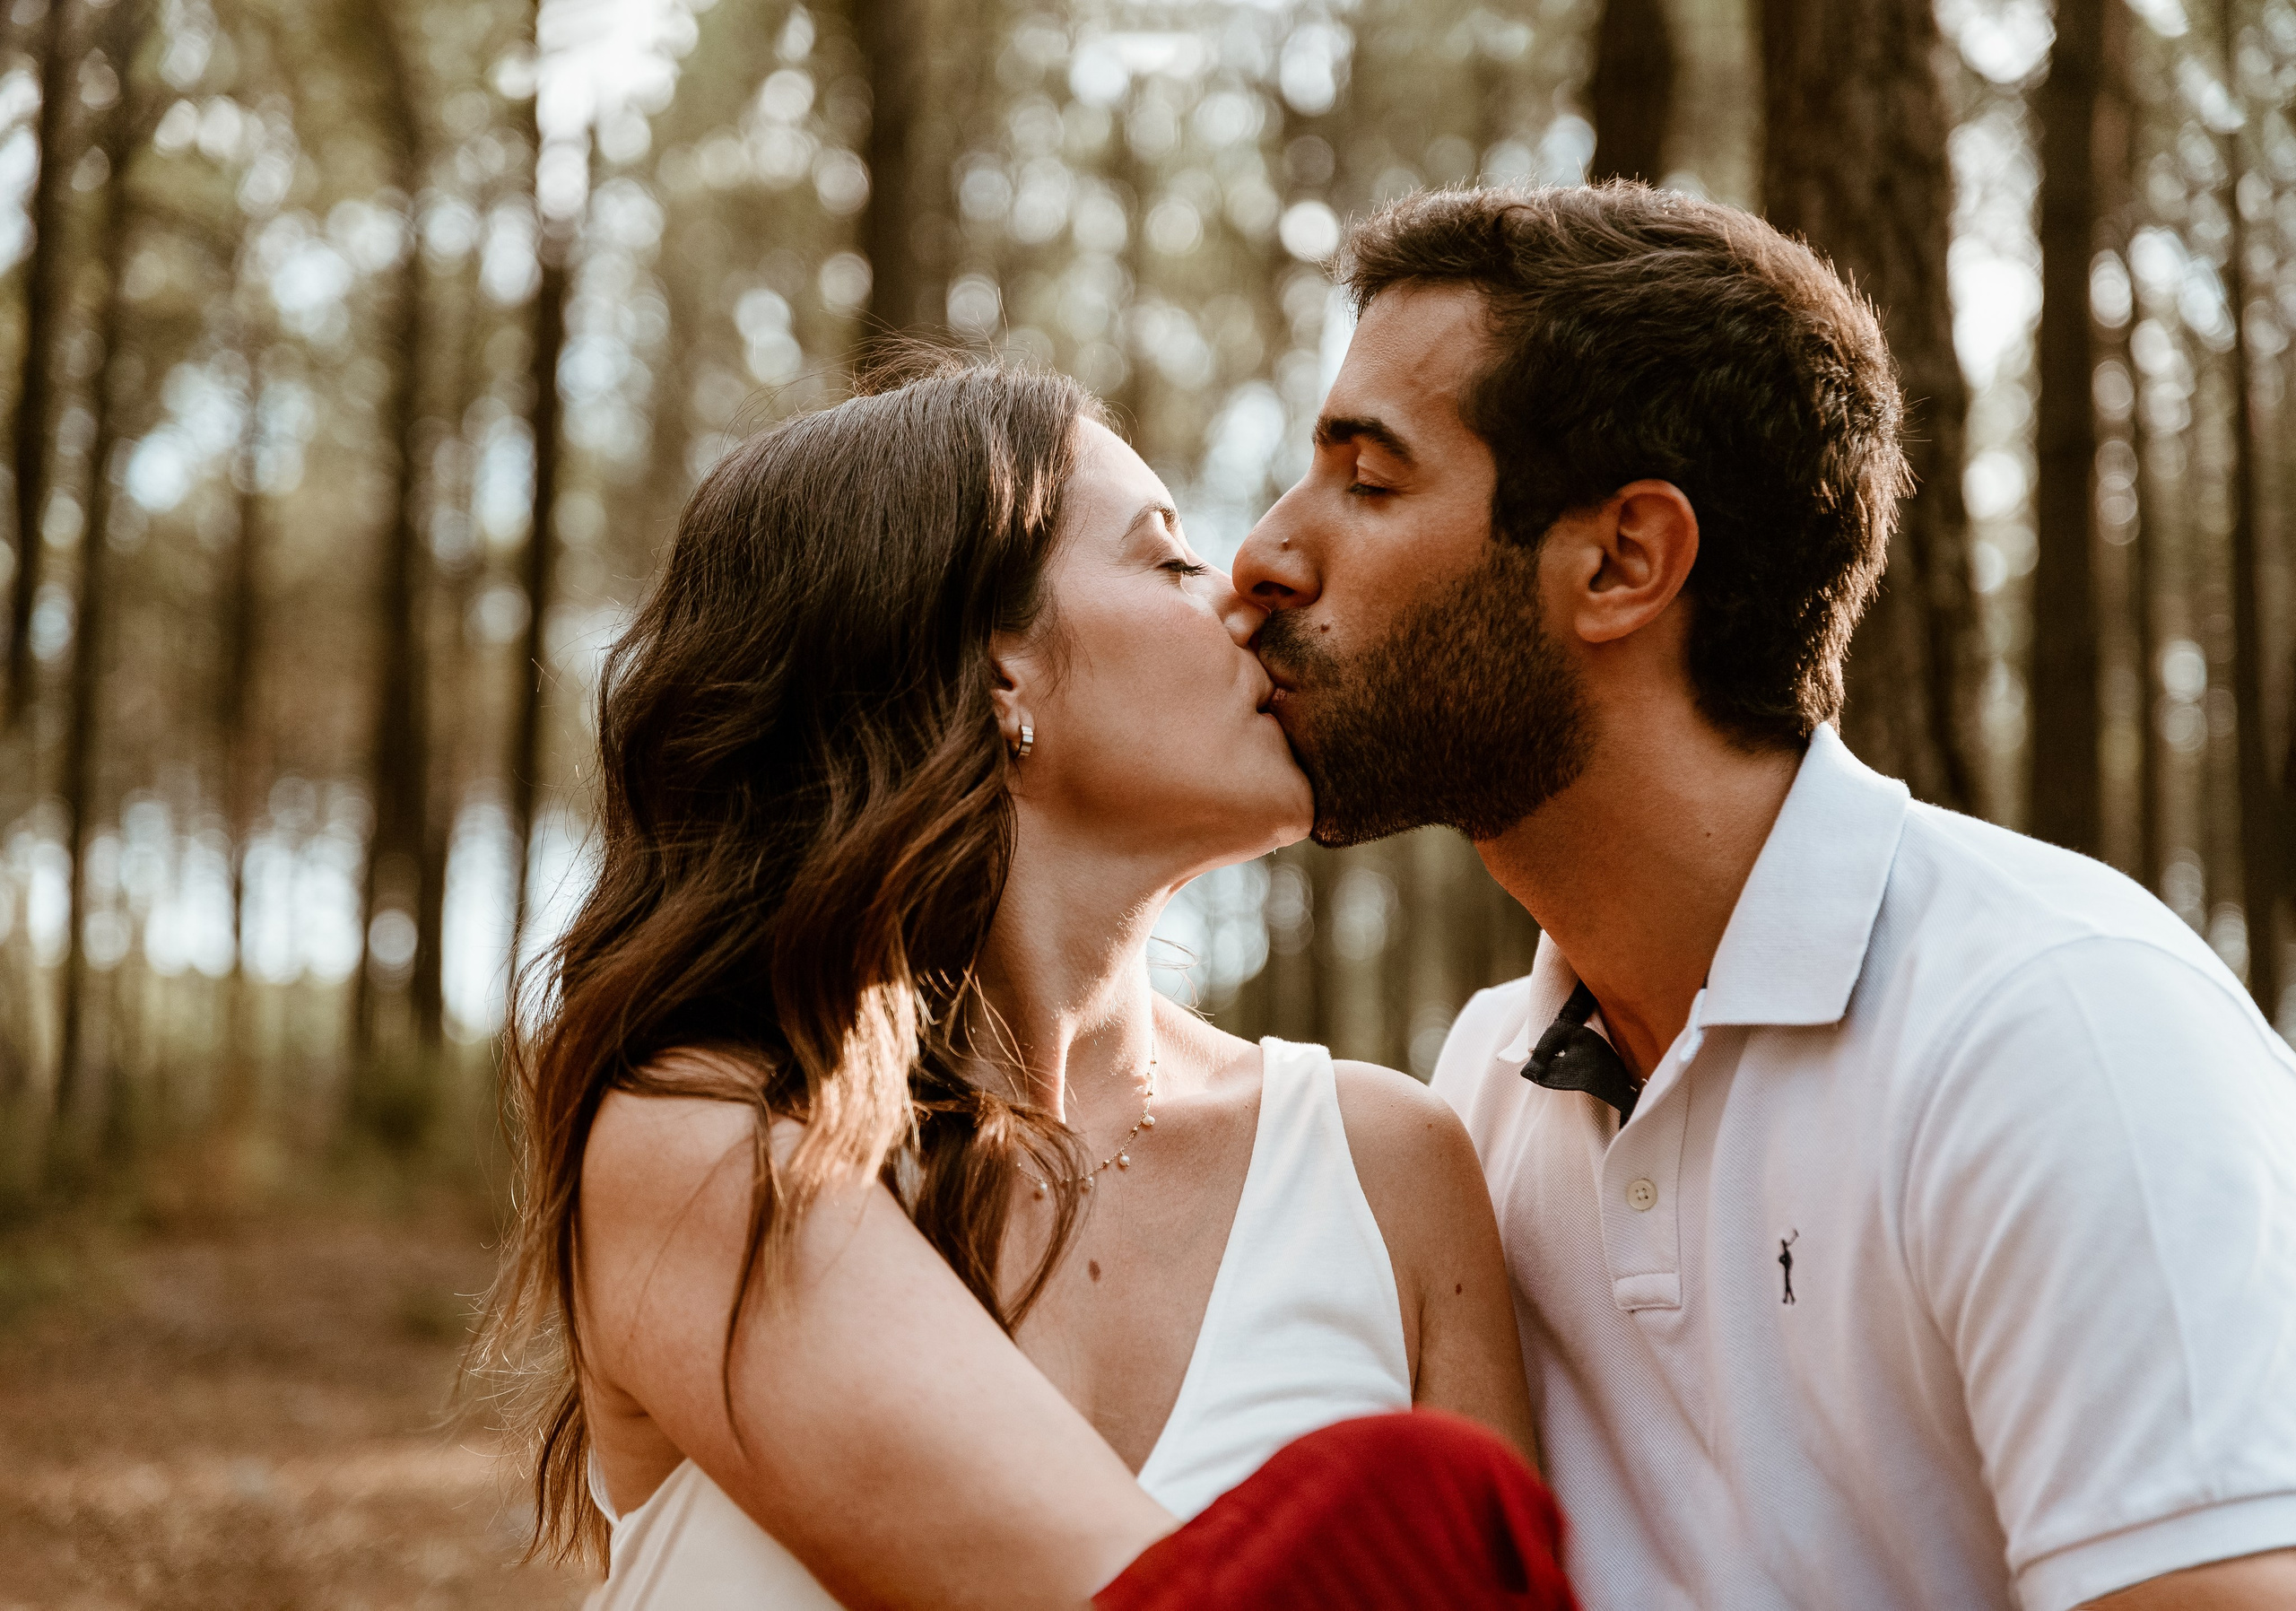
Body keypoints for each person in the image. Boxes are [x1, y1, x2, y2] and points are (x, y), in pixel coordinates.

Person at [1231, 180, 2296, 1611]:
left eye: (1369, 481)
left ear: (1623, 562)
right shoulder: (1484, 1086)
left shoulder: (2060, 1032)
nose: (1263, 558)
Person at [472, 361, 1552, 1608]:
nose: (1245, 592)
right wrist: (1410, 1505)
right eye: (1168, 559)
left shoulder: (1390, 1168)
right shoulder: (712, 1143)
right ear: (1000, 672)